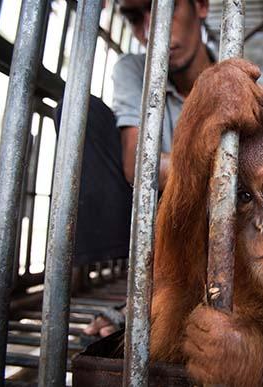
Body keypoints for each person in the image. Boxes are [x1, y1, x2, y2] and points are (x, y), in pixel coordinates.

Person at [54, 0, 214, 336]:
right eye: (134, 17)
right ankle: (145, 289)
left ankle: (176, 293)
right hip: (155, 220)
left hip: (219, 225)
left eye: (165, 10)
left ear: (201, 6)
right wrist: (214, 171)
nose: (151, 31)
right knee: (76, 110)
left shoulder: (251, 77)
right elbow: (137, 163)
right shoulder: (132, 68)